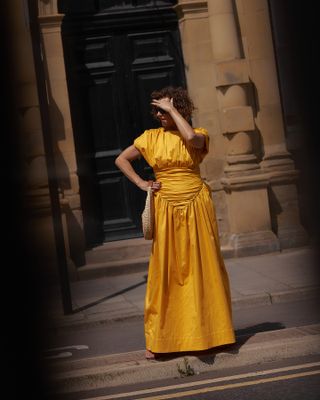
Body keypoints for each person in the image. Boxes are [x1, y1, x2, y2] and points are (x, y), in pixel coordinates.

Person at [115, 86, 235, 360]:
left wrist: (172, 110)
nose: (159, 114)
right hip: (166, 205)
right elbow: (121, 159)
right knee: (166, 270)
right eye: (156, 110)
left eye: (164, 109)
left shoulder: (200, 134)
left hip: (196, 203)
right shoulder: (150, 137)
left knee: (204, 266)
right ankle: (162, 339)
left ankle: (213, 334)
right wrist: (142, 183)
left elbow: (190, 137)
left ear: (179, 108)